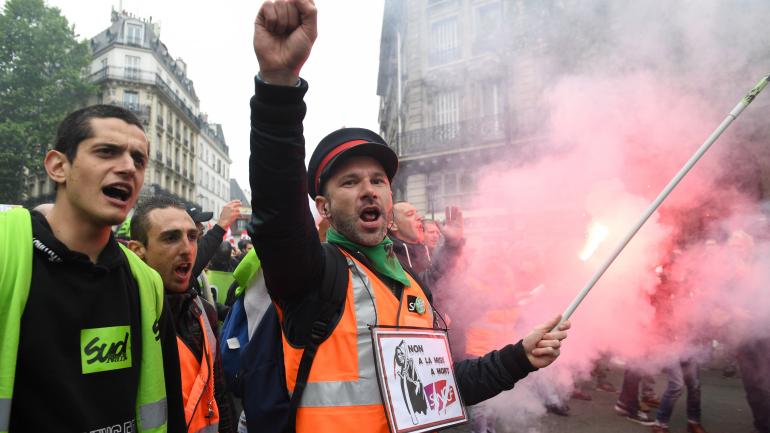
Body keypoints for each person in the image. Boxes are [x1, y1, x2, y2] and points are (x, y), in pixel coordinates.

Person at [248, 1, 570, 432]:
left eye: (378, 180)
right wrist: (278, 86)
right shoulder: (312, 276)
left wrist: (520, 357)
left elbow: (445, 385)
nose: (368, 189)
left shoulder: (409, 284)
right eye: (349, 182)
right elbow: (278, 210)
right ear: (322, 208)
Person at [0, 105, 185, 432]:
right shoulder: (6, 251)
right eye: (107, 152)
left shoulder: (147, 284)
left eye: (139, 160)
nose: (128, 167)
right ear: (58, 166)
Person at [129, 196, 236, 433]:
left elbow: (219, 397)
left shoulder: (204, 313)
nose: (187, 249)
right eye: (171, 237)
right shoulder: (123, 317)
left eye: (192, 237)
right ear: (138, 251)